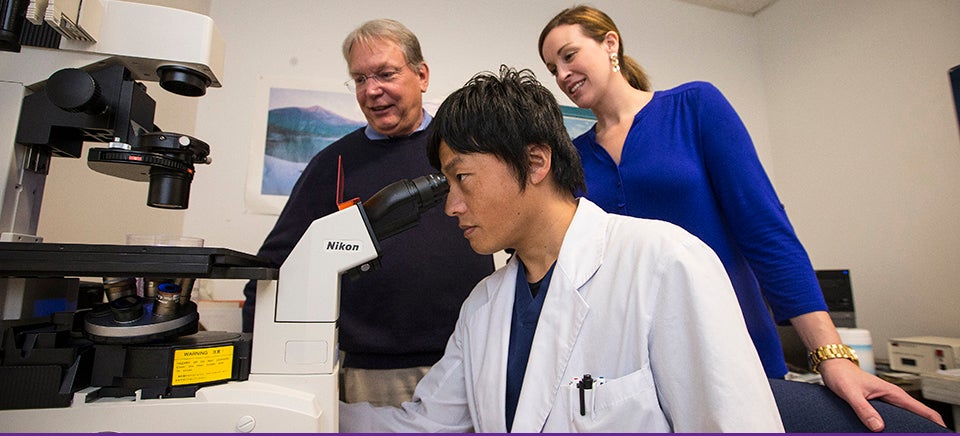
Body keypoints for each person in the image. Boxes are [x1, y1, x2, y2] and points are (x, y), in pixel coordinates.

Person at [537, 5, 945, 432]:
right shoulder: (575, 159)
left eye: (569, 55)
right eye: (552, 67)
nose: (562, 74)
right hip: (630, 371)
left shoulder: (694, 107)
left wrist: (831, 355)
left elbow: (764, 230)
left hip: (735, 346)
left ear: (610, 43)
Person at [338, 66, 784, 433]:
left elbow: (735, 425)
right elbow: (424, 425)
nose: (452, 207)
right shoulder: (484, 306)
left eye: (463, 179)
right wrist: (306, 409)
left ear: (535, 163)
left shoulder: (665, 261)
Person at [241, 18, 494, 407]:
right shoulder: (333, 163)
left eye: (385, 74)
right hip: (374, 376)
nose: (372, 90)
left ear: (422, 75)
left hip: (472, 359)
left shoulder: (465, 148)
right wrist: (254, 364)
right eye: (359, 79)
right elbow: (276, 265)